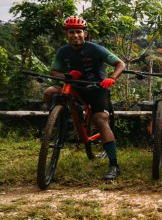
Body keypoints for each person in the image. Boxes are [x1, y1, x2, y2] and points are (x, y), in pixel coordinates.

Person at [44, 16, 126, 180]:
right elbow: (53, 72)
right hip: (73, 87)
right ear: (66, 35)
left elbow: (120, 64)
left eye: (79, 32)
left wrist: (112, 78)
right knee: (48, 92)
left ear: (85, 33)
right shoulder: (63, 51)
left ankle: (114, 165)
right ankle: (56, 124)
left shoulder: (95, 49)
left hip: (96, 88)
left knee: (100, 120)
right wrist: (67, 74)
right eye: (71, 32)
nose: (75, 35)